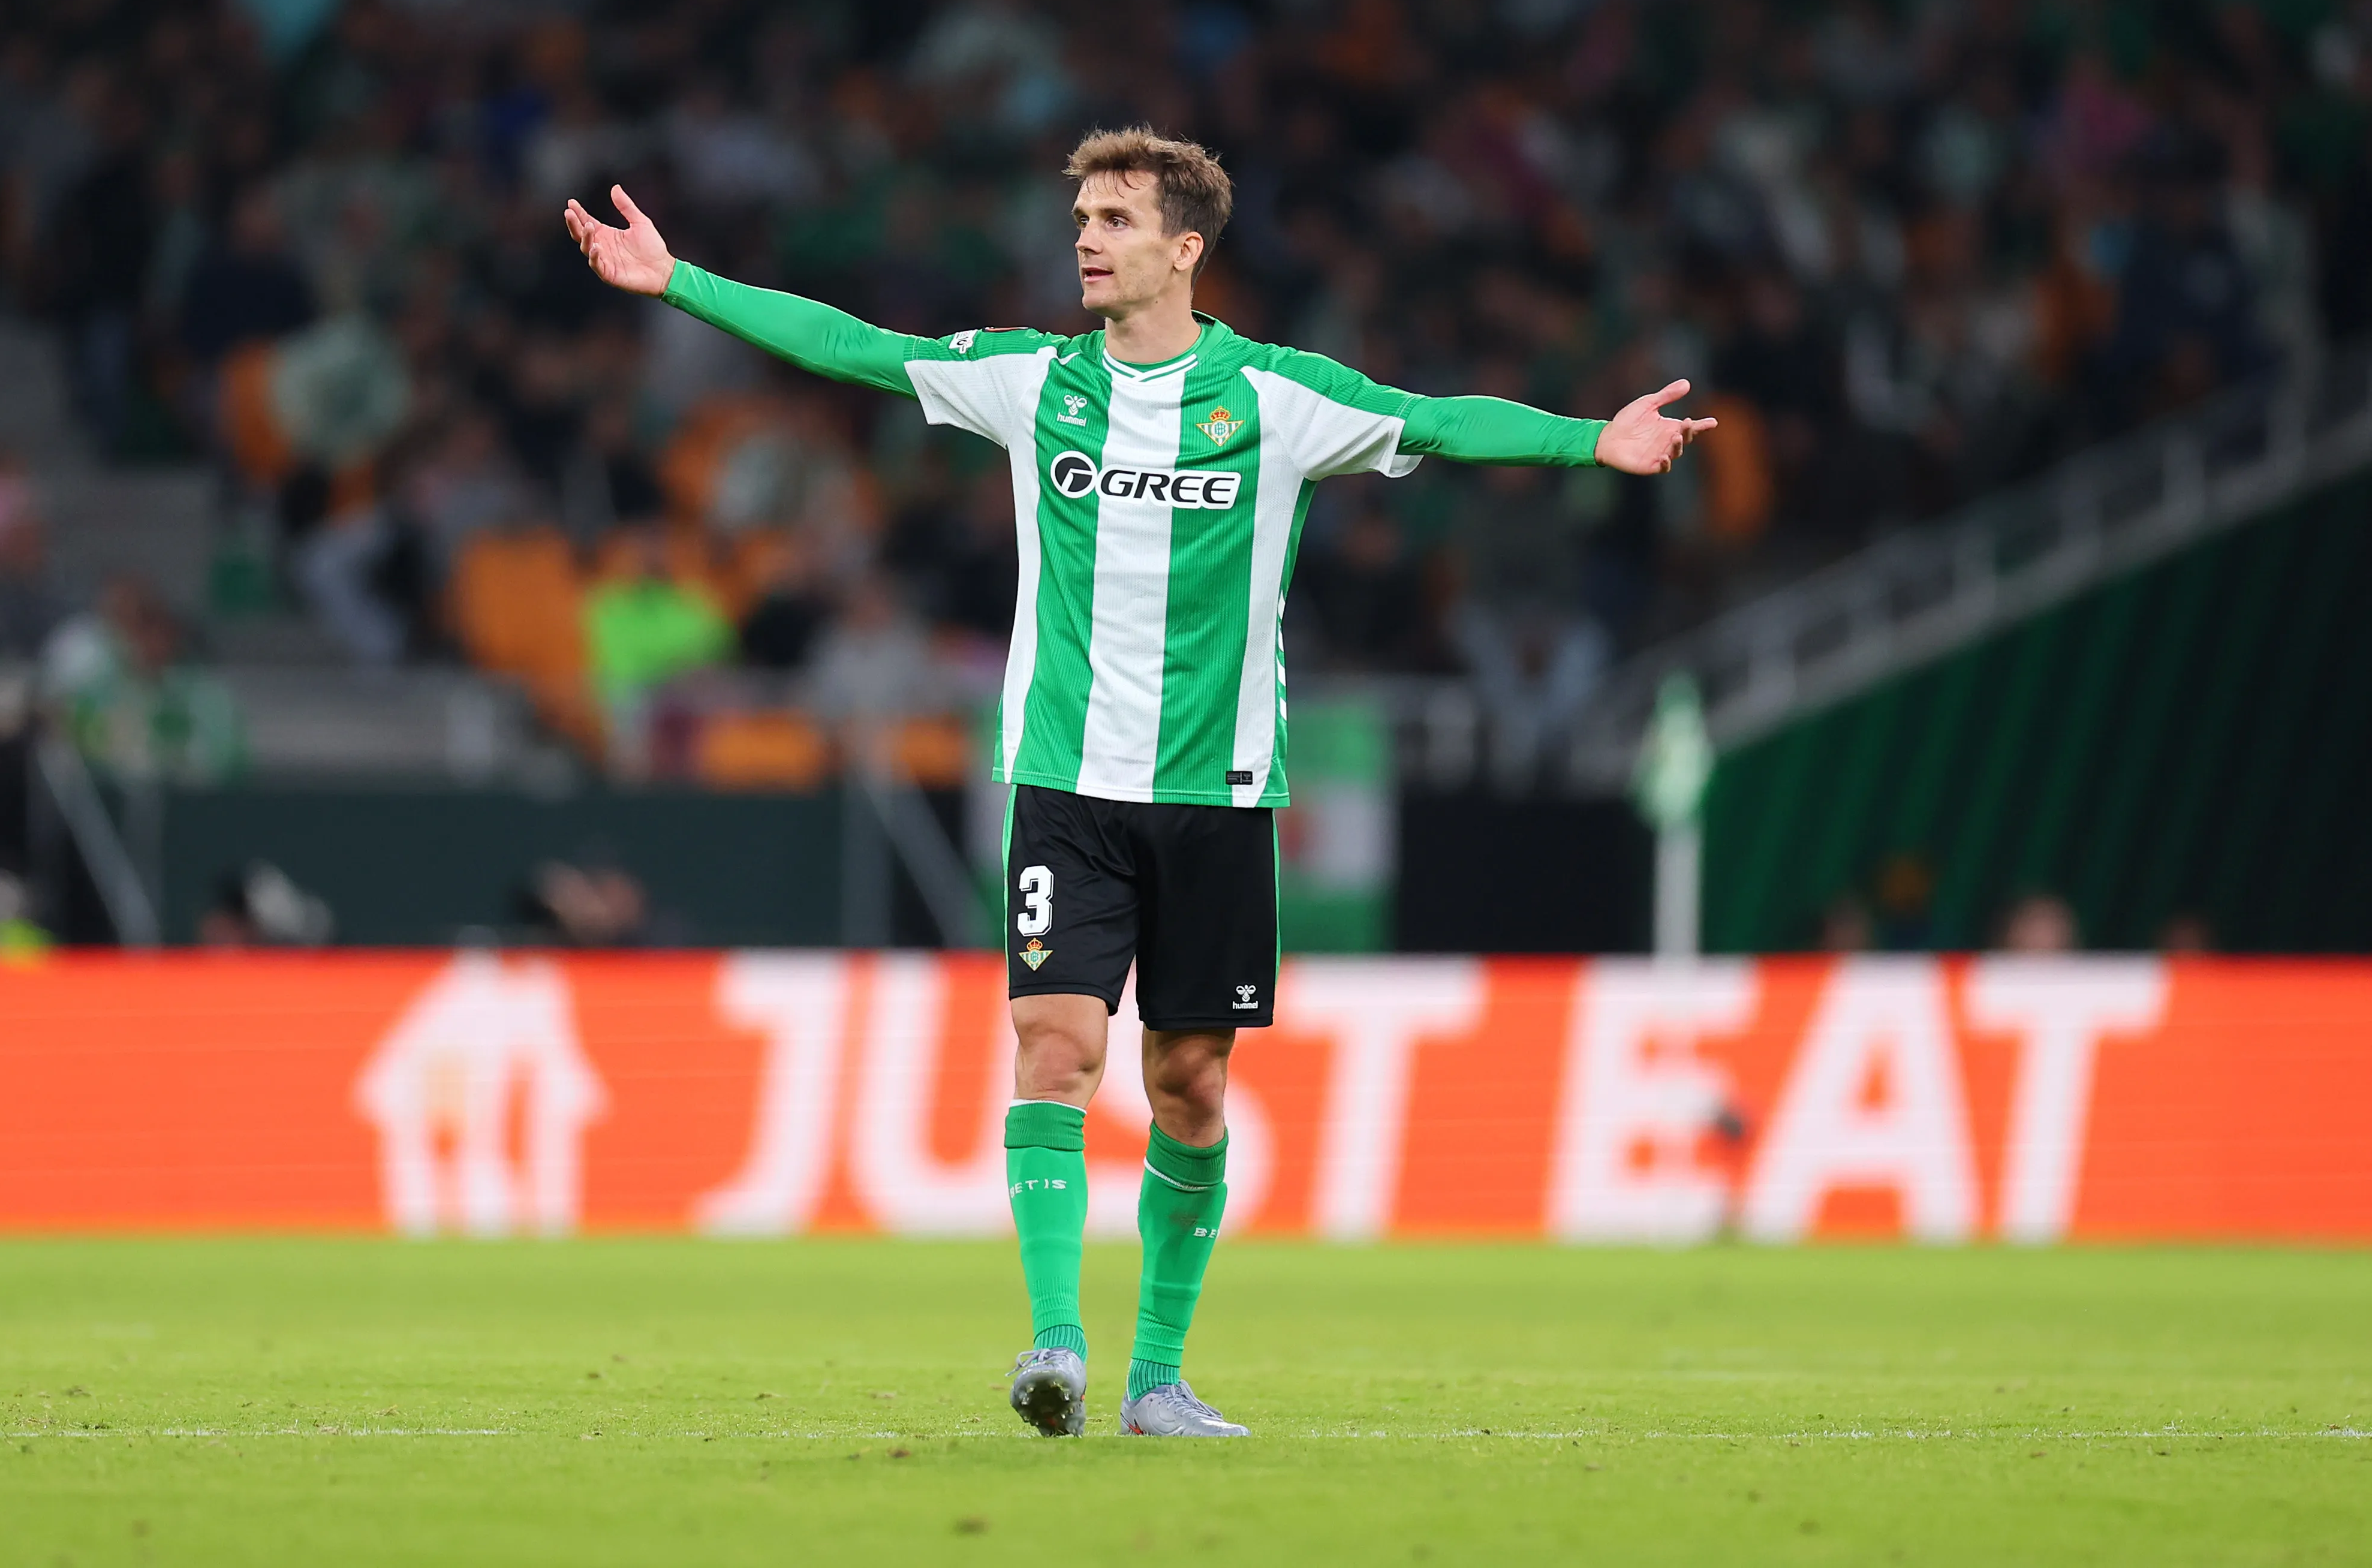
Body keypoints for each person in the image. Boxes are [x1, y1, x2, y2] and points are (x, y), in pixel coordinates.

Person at [567, 129, 1712, 1439]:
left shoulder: (1278, 396)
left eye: (1114, 220)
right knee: (1054, 1050)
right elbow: (855, 345)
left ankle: (1155, 1377)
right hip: (1065, 784)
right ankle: (1053, 1343)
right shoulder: (1031, 380)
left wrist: (1591, 440)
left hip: (1218, 793)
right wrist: (678, 282)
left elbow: (1441, 420)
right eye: (1081, 221)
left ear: (1185, 248)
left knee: (1191, 1084)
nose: (1086, 241)